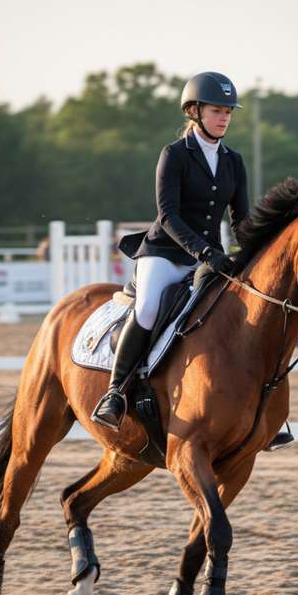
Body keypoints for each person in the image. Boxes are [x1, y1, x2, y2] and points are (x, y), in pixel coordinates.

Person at [91, 71, 245, 431]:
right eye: (216, 110)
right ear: (194, 111)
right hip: (165, 253)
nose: (224, 118)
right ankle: (115, 392)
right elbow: (168, 215)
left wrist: (249, 252)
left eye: (228, 112)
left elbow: (242, 219)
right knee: (147, 308)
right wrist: (205, 252)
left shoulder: (233, 161)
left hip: (211, 257)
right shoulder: (174, 154)